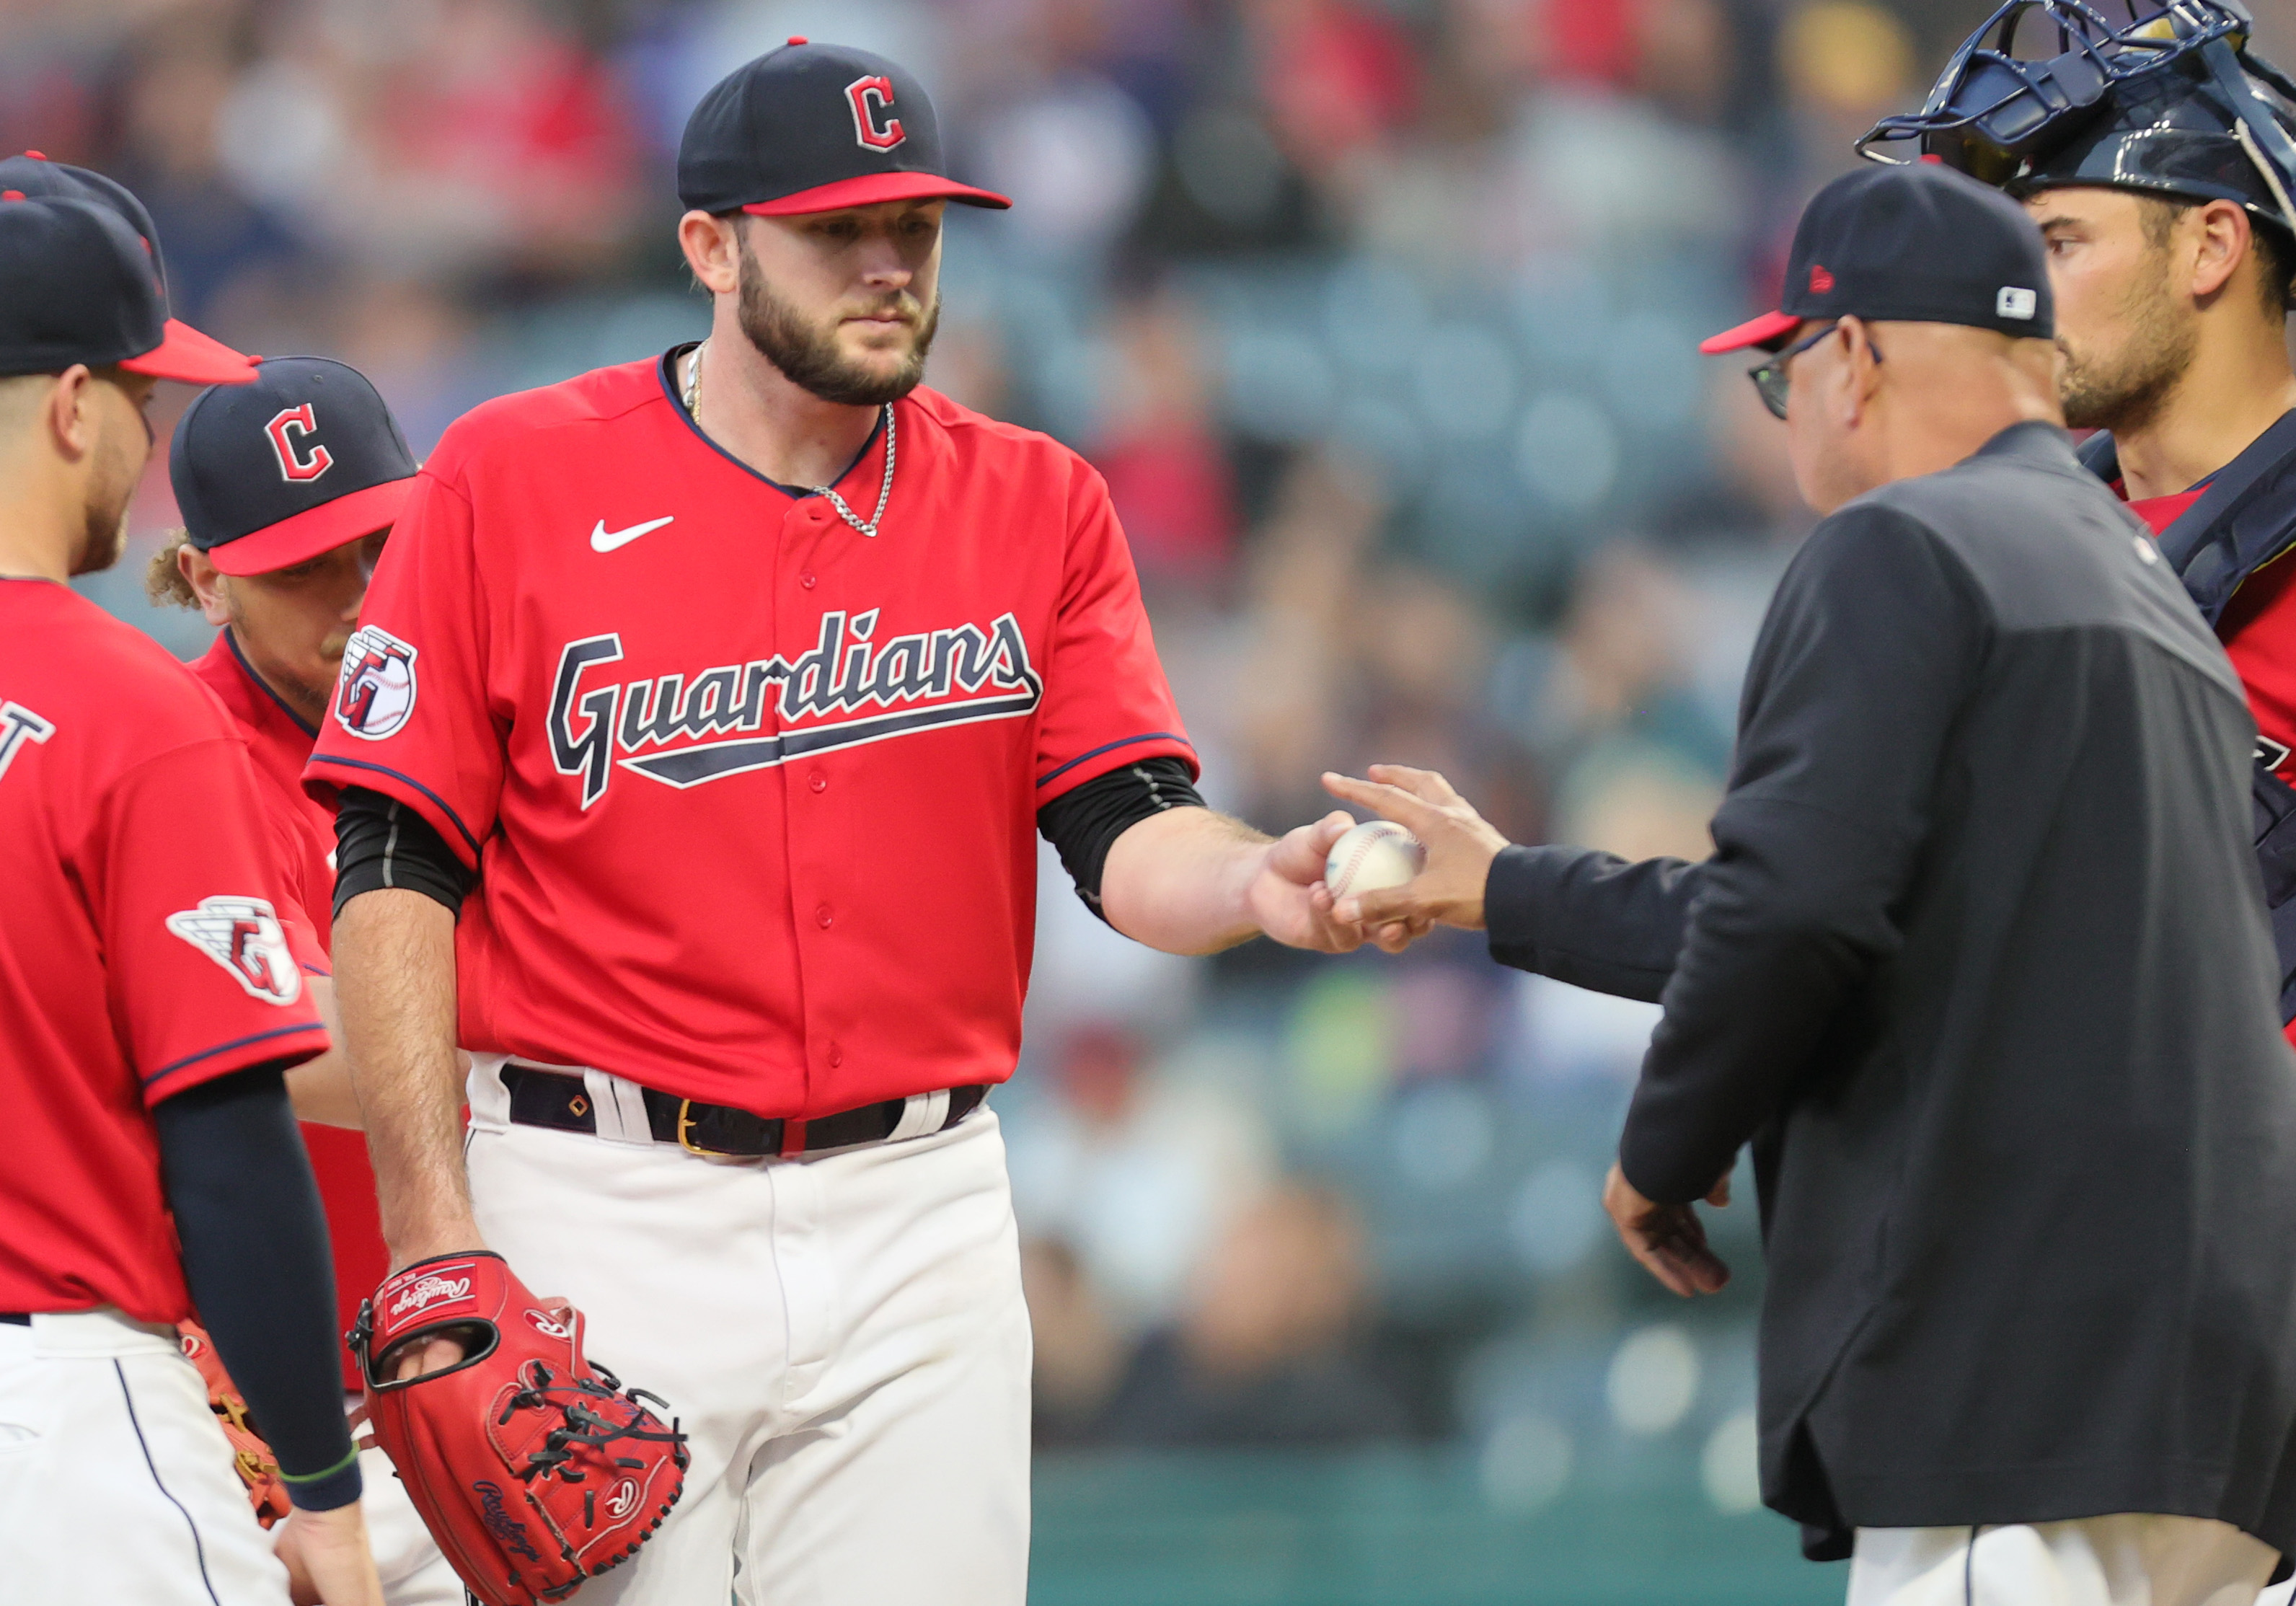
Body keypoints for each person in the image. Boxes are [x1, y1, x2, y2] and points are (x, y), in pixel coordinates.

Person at [305, 40, 1399, 1606]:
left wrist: (1258, 880)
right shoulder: (514, 478)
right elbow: (394, 861)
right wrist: (434, 1233)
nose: (888, 267)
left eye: (917, 230)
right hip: (599, 1196)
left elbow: (1121, 825)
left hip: (919, 1211)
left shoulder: (1035, 502)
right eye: (837, 230)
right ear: (709, 244)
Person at [1327, 163, 2296, 1605]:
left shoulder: (1903, 546)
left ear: (1849, 357)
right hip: (2224, 1424)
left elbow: (1793, 911)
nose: (1789, 423)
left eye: (1783, 380)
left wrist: (1666, 1146)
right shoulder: (2152, 596)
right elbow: (1894, 919)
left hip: (2016, 1404)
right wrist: (1514, 890)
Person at [0, 186, 383, 1603]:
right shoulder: (126, 710)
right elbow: (229, 1143)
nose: (146, 446)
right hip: (62, 1425)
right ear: (74, 405)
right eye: (144, 402)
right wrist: (328, 1501)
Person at [1863, 0, 2296, 1033]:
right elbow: (1834, 911)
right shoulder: (2013, 546)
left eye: (2057, 243)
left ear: (2212, 246)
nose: (2012, 295)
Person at [149, 354, 461, 1606]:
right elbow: (293, 1054)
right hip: (263, 1409)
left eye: (379, 543)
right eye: (302, 565)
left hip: (479, 1360)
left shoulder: (481, 700)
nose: (360, 597)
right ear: (207, 580)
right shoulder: (180, 755)